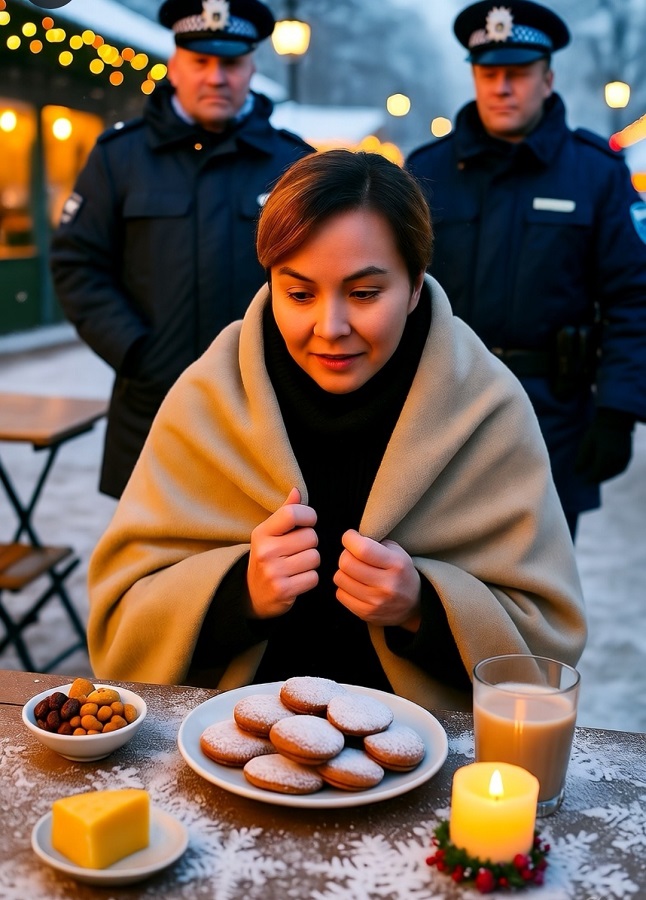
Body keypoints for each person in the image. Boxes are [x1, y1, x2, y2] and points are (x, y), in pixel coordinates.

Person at [86, 150, 586, 711]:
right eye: (299, 293)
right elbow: (119, 627)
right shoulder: (208, 397)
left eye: (364, 293)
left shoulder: (486, 404)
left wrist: (421, 606)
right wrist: (239, 593)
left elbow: (547, 648)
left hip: (431, 750)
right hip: (232, 741)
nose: (331, 327)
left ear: (415, 285)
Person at [50, 0, 312, 499]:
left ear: (251, 69)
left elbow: (320, 275)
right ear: (174, 66)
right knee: (151, 547)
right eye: (200, 61)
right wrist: (135, 351)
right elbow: (77, 264)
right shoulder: (120, 157)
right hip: (153, 405)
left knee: (272, 545)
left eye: (231, 63)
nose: (216, 77)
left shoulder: (293, 164)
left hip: (268, 412)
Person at [406, 0, 646, 539]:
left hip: (552, 416)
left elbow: (634, 298)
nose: (502, 87)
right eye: (489, 73)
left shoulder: (596, 173)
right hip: (440, 410)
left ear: (547, 79)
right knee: (432, 571)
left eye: (518, 73)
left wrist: (618, 410)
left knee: (538, 575)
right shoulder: (427, 171)